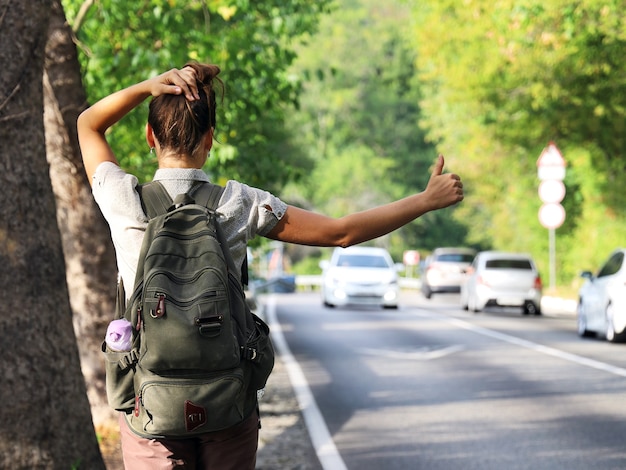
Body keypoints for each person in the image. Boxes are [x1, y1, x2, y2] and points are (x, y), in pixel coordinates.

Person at [77, 62, 464, 469]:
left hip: (148, 406)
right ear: (211, 139)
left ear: (149, 136)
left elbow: (88, 125)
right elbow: (341, 233)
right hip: (228, 399)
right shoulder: (240, 203)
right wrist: (425, 200)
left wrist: (147, 86)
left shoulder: (123, 199)